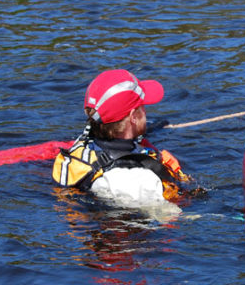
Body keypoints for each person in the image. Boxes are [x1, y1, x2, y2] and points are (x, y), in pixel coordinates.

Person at [52, 69, 190, 206]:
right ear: (134, 117)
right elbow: (174, 219)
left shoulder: (84, 142)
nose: (145, 111)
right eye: (142, 106)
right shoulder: (140, 182)